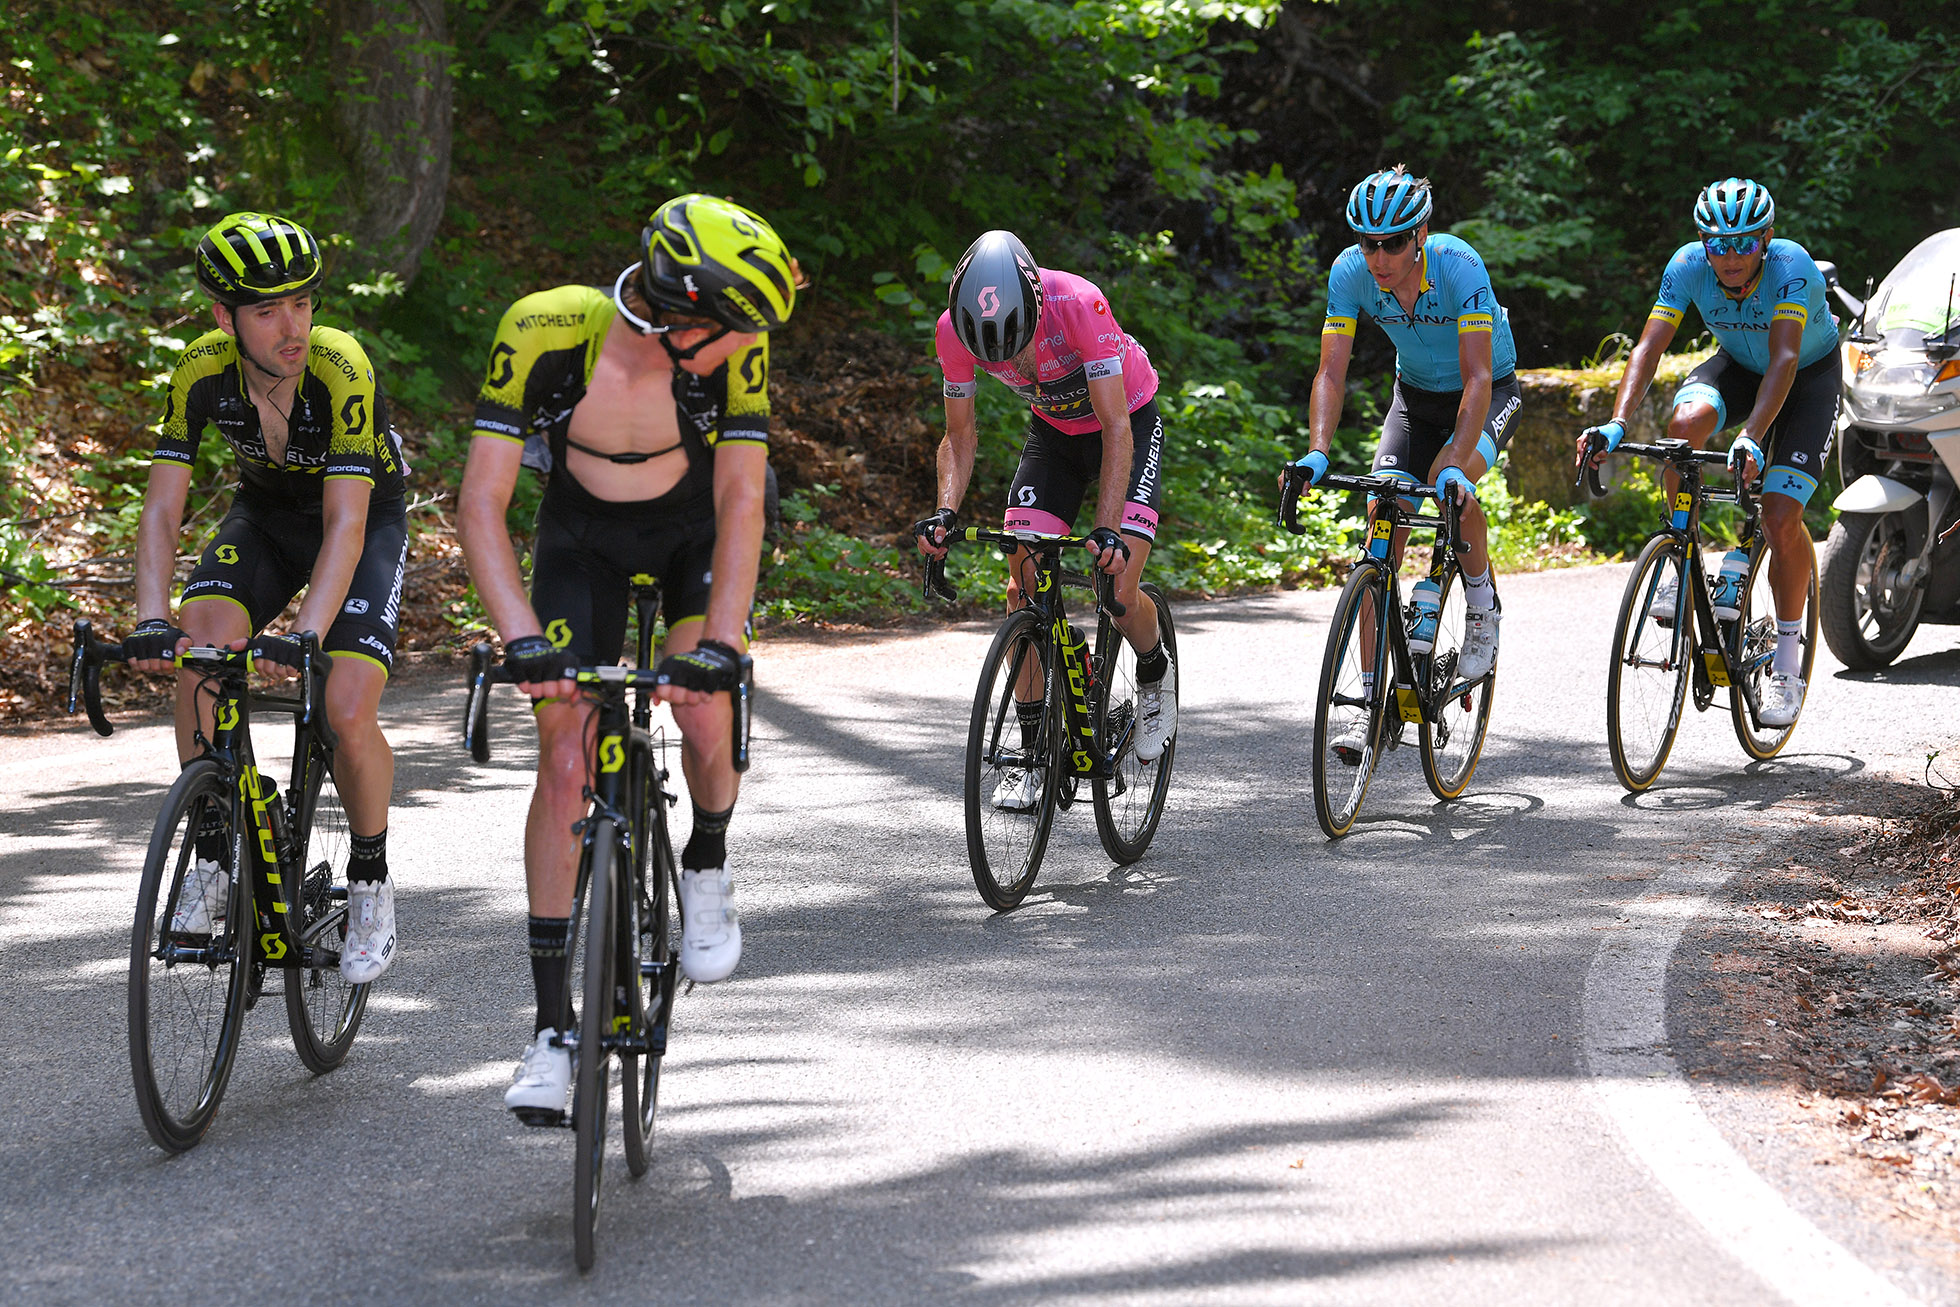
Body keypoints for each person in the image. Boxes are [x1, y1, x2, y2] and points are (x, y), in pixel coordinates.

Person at [458, 193, 796, 1123]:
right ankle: (551, 1031)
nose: (749, 347)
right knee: (564, 756)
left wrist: (723, 643)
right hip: (581, 541)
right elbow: (482, 500)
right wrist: (520, 636)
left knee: (701, 706)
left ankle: (709, 860)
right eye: (734, 330)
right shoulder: (545, 330)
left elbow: (740, 503)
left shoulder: (736, 352)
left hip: (690, 536)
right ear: (686, 318)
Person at [128, 211, 408, 984]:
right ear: (224, 317)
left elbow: (348, 523)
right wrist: (152, 616)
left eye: (303, 302)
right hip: (267, 518)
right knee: (201, 647)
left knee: (347, 702)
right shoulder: (200, 371)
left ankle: (372, 882)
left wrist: (309, 633)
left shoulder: (340, 366)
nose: (293, 325)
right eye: (266, 309)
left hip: (360, 519)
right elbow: (161, 507)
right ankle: (216, 855)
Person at [913, 230, 1177, 808]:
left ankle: (1154, 671)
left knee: (1118, 588)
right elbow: (959, 435)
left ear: (1034, 306)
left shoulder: (1080, 305)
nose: (1006, 362)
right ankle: (1032, 754)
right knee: (1022, 584)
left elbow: (1115, 431)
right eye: (993, 355)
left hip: (1126, 422)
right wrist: (943, 513)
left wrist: (1107, 528)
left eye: (1015, 345)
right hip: (1054, 436)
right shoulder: (952, 330)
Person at [1577, 177, 1837, 727]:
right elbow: (1648, 347)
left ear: (1765, 238)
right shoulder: (1689, 265)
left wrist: (1751, 436)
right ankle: (1680, 549)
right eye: (1717, 244)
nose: (1730, 257)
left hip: (1806, 378)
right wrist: (1618, 423)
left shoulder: (1790, 265)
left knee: (1779, 516)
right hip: (1741, 368)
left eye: (1743, 243)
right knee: (1683, 428)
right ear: (1703, 243)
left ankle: (1787, 667)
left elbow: (1786, 359)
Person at [1288, 165, 1521, 741]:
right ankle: (1370, 703)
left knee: (1453, 483)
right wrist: (1318, 451)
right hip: (1413, 398)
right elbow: (1330, 372)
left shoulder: (1457, 265)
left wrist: (1452, 460)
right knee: (1381, 518)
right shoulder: (1349, 273)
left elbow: (1477, 377)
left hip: (1489, 393)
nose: (1379, 256)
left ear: (1419, 235)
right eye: (1368, 242)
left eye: (1392, 242)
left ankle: (1482, 607)